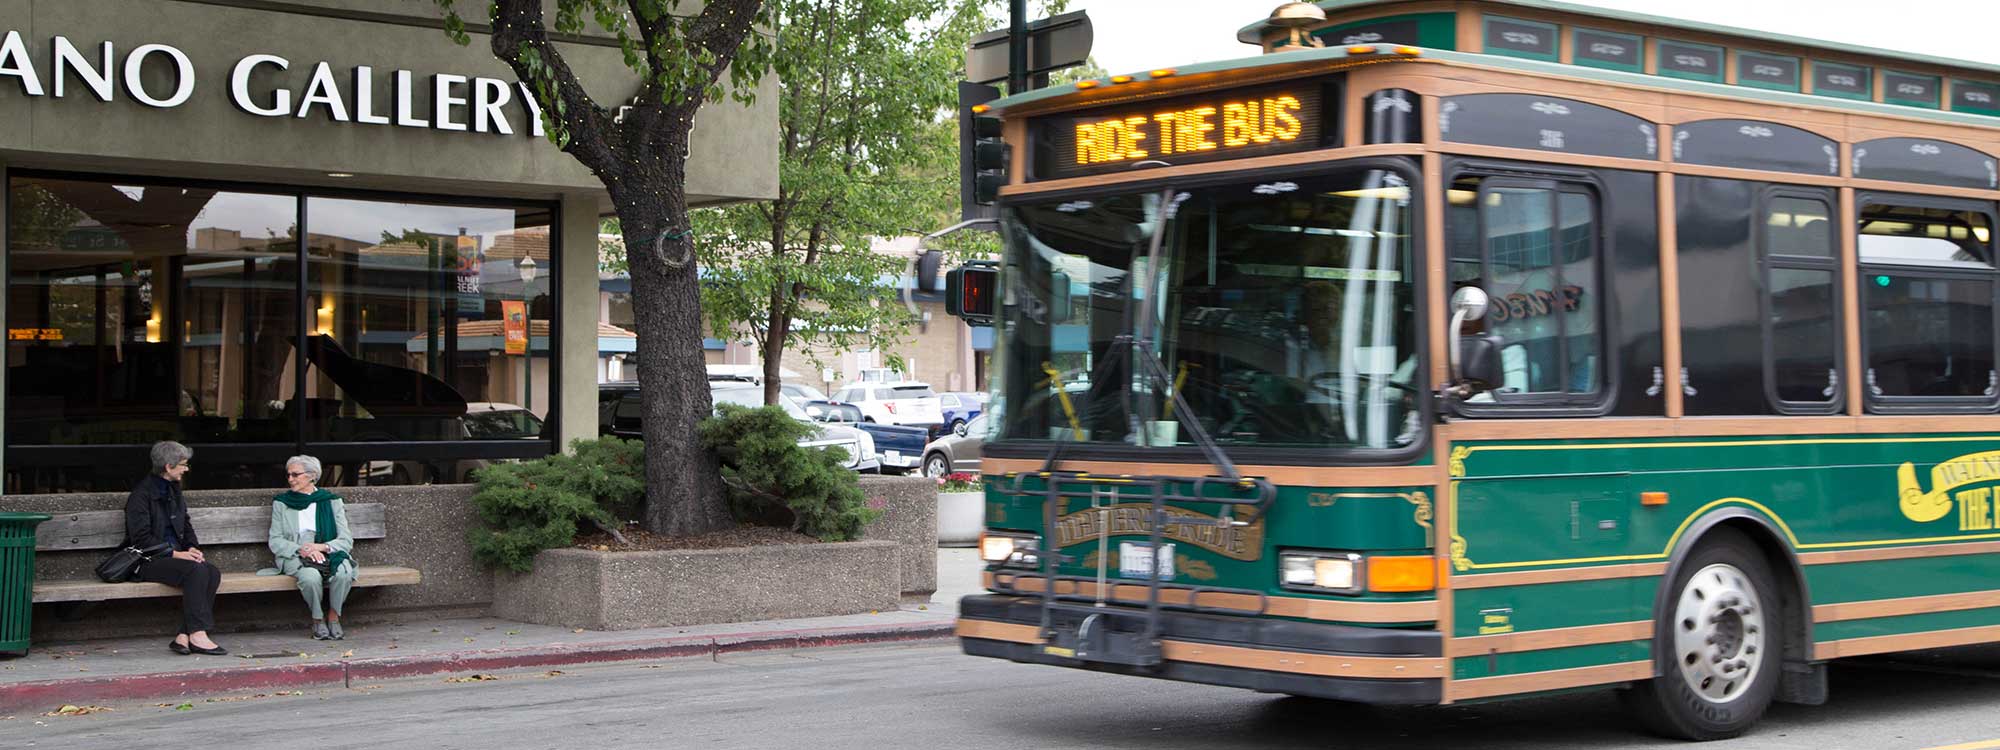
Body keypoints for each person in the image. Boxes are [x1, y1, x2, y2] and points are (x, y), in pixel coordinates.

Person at [125, 440, 226, 656]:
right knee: (196, 570)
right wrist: (176, 553)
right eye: (183, 464)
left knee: (211, 571)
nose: (186, 469)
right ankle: (198, 633)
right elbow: (141, 540)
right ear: (168, 467)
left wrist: (192, 548)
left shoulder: (174, 490)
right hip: (147, 562)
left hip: (176, 558)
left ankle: (183, 635)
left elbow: (185, 524)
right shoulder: (140, 496)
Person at [268, 455, 356, 640]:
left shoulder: (331, 501)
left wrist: (321, 547)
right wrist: (303, 549)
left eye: (295, 474)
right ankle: (317, 618)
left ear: (312, 475)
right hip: (295, 553)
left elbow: (346, 539)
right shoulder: (281, 503)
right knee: (310, 577)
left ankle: (334, 616)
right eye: (289, 475)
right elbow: (275, 540)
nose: (290, 479)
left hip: (327, 551)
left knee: (343, 573)